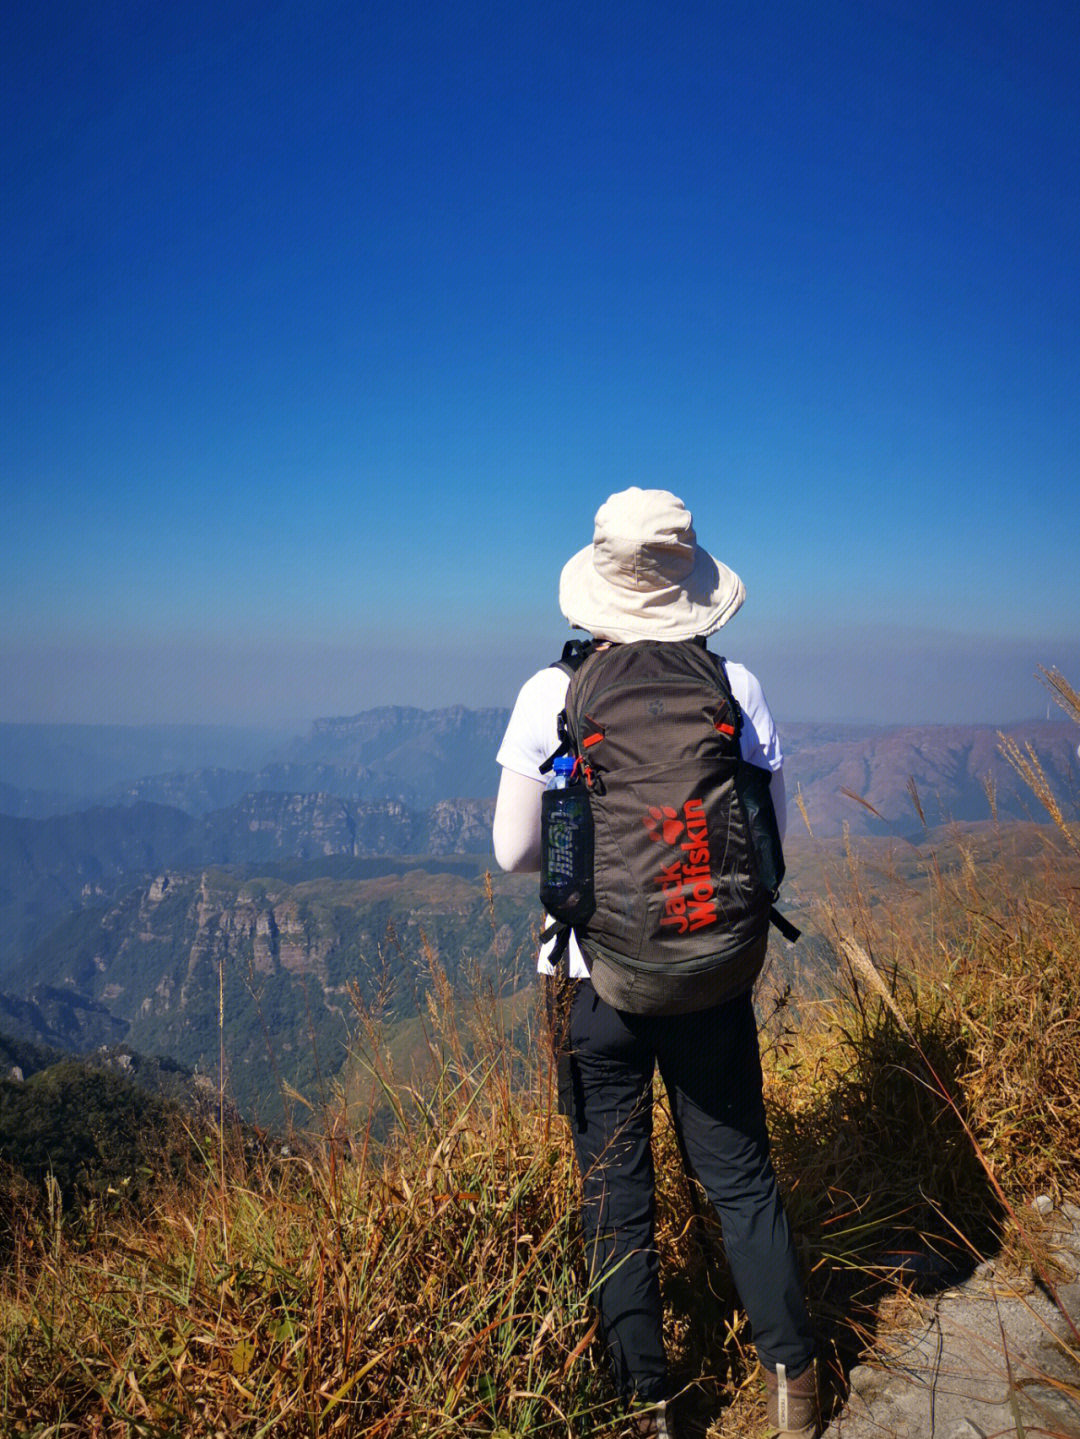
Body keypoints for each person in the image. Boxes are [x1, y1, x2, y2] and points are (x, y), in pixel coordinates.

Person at [493, 488, 818, 1439]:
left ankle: (650, 1402)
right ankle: (795, 1383)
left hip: (595, 979)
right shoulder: (735, 685)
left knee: (615, 1188)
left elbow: (516, 850)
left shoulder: (551, 694)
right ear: (690, 581)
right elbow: (767, 844)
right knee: (742, 1175)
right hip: (712, 970)